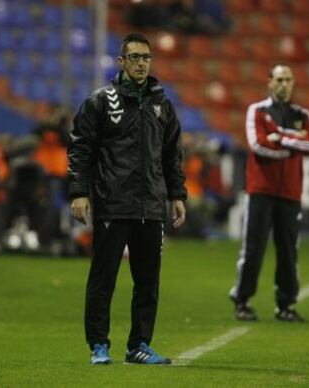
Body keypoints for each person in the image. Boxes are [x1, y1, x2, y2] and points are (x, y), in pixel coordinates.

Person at [68, 33, 187, 365]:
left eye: (146, 58)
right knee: (103, 278)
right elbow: (81, 149)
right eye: (134, 57)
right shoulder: (100, 101)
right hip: (112, 203)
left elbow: (172, 155)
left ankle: (139, 345)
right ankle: (98, 345)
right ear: (121, 62)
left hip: (151, 205)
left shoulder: (162, 104)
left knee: (147, 282)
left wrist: (177, 194)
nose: (140, 64)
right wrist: (79, 192)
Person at [229, 64, 309, 322]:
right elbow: (258, 145)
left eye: (288, 79)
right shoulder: (256, 111)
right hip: (260, 190)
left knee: (289, 251)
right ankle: (242, 300)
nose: (283, 84)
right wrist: (293, 142)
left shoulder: (303, 114)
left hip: (290, 193)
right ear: (269, 82)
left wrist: (279, 137)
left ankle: (286, 305)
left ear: (293, 83)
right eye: (279, 79)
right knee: (253, 249)